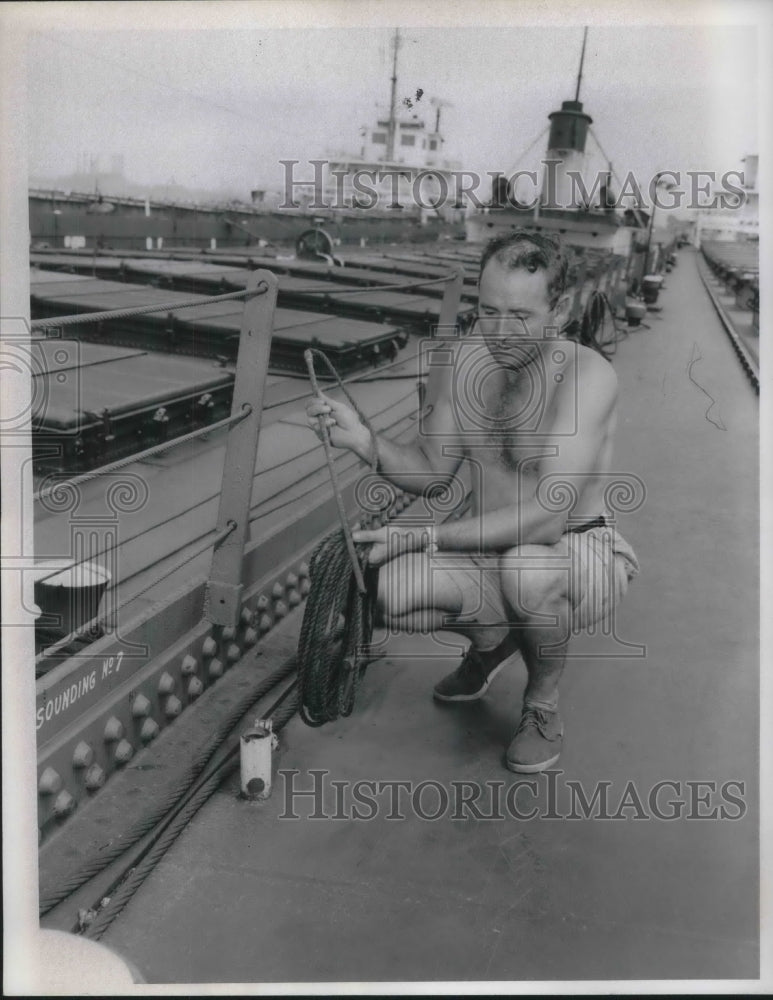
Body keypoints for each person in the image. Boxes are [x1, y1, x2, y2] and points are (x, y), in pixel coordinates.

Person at [306, 230, 639, 772]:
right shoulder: (466, 363)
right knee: (386, 591)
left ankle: (542, 704)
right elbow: (433, 471)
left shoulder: (586, 376)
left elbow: (549, 516)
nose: (501, 333)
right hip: (494, 548)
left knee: (527, 571)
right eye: (488, 312)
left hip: (579, 552)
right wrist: (365, 442)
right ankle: (494, 642)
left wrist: (423, 536)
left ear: (560, 308)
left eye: (520, 315)